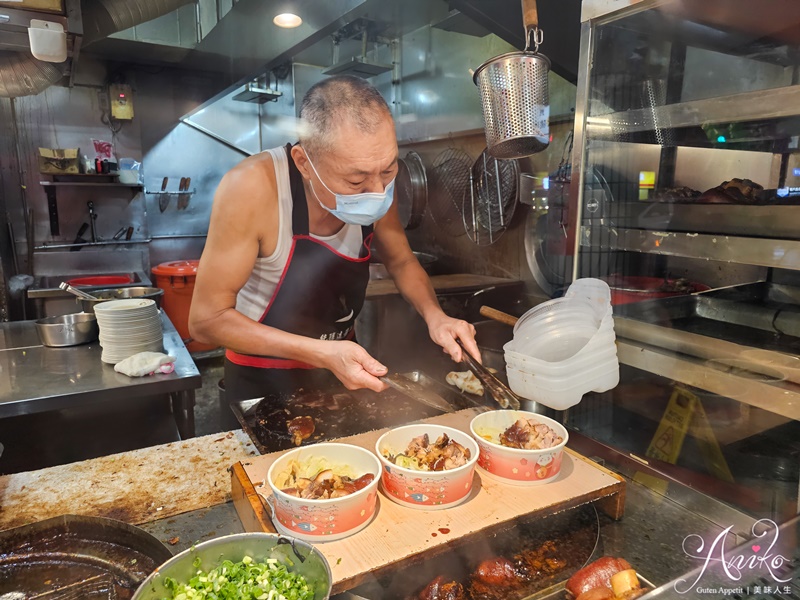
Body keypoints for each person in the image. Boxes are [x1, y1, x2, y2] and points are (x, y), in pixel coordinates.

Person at [189, 75, 480, 402]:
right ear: (304, 163)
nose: (377, 191)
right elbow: (206, 321)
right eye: (356, 181)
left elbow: (400, 260)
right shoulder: (251, 188)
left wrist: (435, 315)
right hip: (261, 379)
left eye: (387, 171)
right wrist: (321, 353)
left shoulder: (376, 181)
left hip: (344, 368)